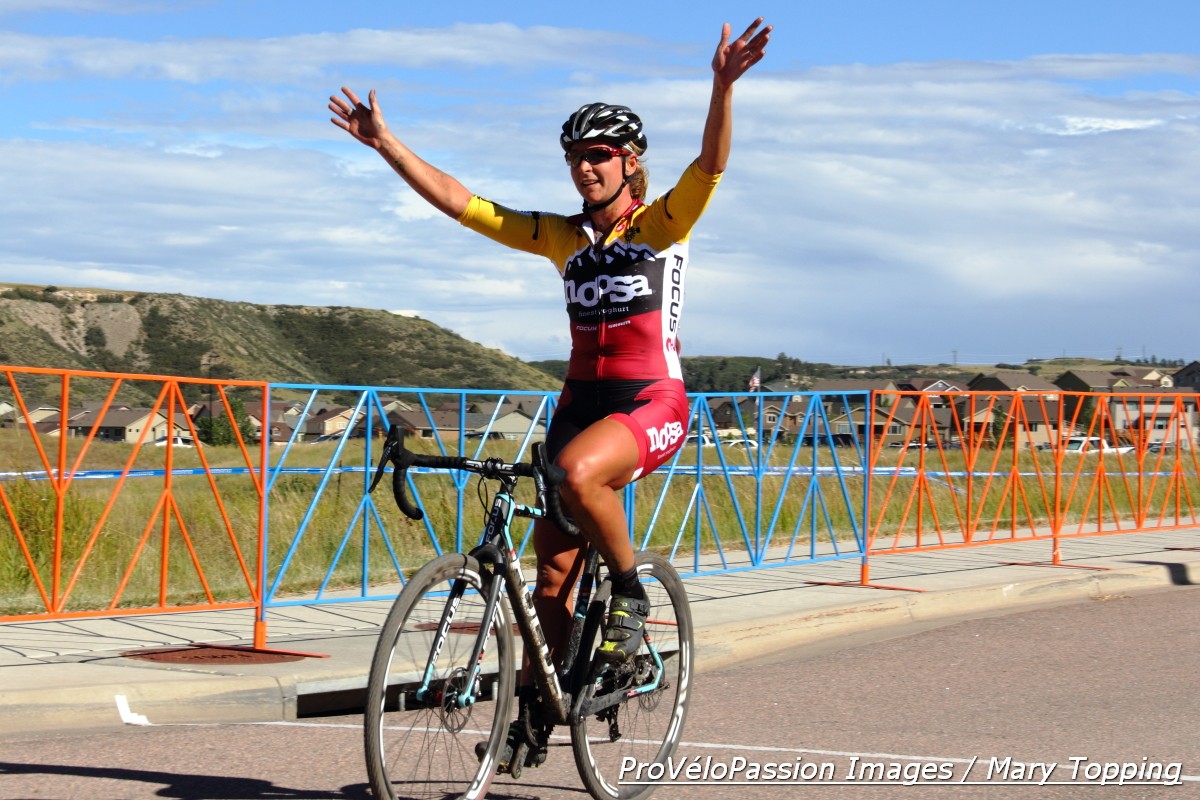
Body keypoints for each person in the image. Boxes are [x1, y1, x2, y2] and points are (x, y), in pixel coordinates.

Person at [331, 16, 771, 772]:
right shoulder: (561, 238)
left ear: (629, 162)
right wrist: (387, 145)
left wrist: (722, 86)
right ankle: (540, 708)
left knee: (574, 473)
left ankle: (630, 592)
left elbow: (710, 165)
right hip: (578, 407)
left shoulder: (662, 225)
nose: (583, 169)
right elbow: (465, 203)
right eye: (574, 158)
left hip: (650, 403)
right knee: (551, 584)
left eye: (597, 156)